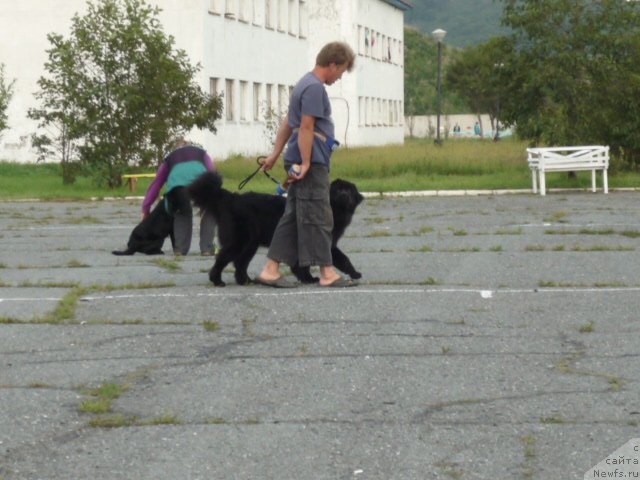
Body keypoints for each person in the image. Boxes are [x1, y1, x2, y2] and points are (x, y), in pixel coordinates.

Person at [255, 41, 357, 288]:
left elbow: (289, 124)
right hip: (310, 160)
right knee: (320, 215)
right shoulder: (314, 89)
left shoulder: (303, 83)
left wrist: (274, 154)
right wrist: (307, 162)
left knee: (292, 217)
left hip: (299, 157)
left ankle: (270, 269)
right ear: (332, 64)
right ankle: (327, 273)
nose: (340, 76)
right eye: (341, 71)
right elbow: (307, 126)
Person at [142, 138, 217, 256]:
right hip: (202, 184)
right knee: (209, 211)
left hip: (178, 189)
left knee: (182, 211)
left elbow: (156, 184)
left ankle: (180, 249)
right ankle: (207, 248)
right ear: (190, 146)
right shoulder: (202, 153)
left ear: (175, 149)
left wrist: (146, 208)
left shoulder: (170, 159)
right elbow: (212, 173)